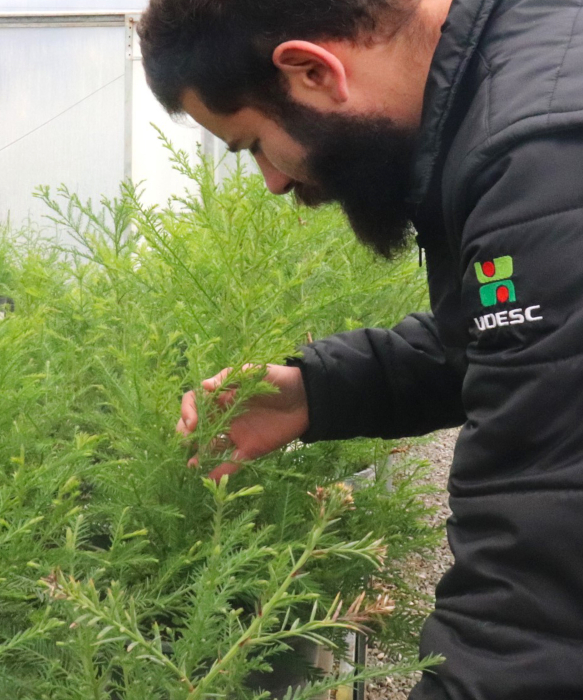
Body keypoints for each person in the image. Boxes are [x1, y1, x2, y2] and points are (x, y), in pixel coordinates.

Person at [139, 0, 583, 698]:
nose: (273, 181)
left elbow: (543, 574)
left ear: (313, 70)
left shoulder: (543, 155)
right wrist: (318, 390)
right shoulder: (523, 73)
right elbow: (521, 335)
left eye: (251, 143)